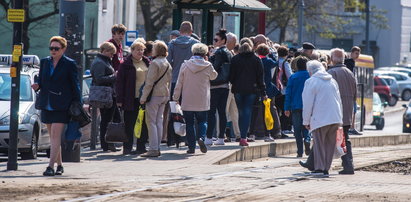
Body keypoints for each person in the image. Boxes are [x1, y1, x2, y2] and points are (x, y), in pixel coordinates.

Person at [32, 36, 81, 176]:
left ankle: (50, 167)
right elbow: (41, 81)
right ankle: (59, 165)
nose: (53, 51)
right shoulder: (45, 62)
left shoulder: (69, 64)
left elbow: (75, 84)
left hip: (62, 104)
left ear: (63, 49)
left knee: (55, 135)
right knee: (53, 137)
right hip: (46, 103)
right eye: (51, 48)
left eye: (56, 48)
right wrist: (37, 86)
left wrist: (78, 102)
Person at [173, 43, 218, 154]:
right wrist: (208, 62)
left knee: (189, 123)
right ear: (205, 54)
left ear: (193, 52)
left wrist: (176, 97)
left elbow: (179, 82)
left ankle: (191, 147)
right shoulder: (207, 65)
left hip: (188, 99)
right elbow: (214, 76)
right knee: (202, 121)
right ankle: (201, 138)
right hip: (202, 99)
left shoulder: (185, 65)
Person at [302, 60, 343, 176]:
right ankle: (326, 168)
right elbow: (339, 100)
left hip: (320, 118)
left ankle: (319, 168)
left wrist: (306, 120)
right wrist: (341, 118)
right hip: (335, 117)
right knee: (330, 144)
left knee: (319, 143)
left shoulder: (311, 82)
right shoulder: (332, 81)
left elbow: (307, 103)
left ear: (310, 71)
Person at [229, 39, 266, 146]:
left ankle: (242, 135)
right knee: (247, 112)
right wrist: (263, 92)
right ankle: (244, 137)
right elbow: (260, 77)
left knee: (240, 112)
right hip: (252, 90)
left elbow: (231, 76)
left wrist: (235, 83)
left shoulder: (235, 59)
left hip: (238, 89)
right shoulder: (256, 59)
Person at [116, 41, 150, 155]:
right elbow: (120, 83)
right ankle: (127, 147)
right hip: (131, 98)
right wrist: (119, 100)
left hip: (144, 98)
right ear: (132, 51)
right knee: (129, 123)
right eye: (137, 50)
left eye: (142, 50)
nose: (140, 52)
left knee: (144, 123)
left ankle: (141, 146)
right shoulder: (125, 64)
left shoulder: (147, 62)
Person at [139, 41, 172, 157]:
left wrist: (143, 97)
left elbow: (149, 82)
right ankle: (157, 147)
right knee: (159, 121)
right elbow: (169, 81)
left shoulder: (154, 63)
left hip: (154, 95)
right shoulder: (167, 63)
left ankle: (153, 148)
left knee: (151, 122)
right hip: (164, 94)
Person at [328, 48, 357, 174]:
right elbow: (355, 94)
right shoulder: (350, 73)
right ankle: (348, 164)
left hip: (335, 111)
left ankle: (320, 164)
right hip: (347, 112)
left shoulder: (332, 72)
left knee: (327, 137)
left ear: (333, 59)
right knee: (344, 137)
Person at [90, 42, 120, 153]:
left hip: (108, 94)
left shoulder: (103, 61)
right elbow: (99, 79)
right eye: (111, 54)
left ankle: (108, 143)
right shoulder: (99, 62)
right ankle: (106, 144)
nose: (112, 56)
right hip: (105, 95)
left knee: (110, 119)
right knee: (107, 120)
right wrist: (114, 76)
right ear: (105, 51)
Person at [205, 29, 232, 146]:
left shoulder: (219, 52)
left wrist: (210, 57)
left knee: (211, 112)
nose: (214, 42)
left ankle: (209, 137)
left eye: (216, 40)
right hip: (225, 85)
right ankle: (221, 137)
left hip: (215, 85)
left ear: (223, 41)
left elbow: (214, 68)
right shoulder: (229, 52)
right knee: (222, 112)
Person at [284, 56, 311, 157]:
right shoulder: (310, 76)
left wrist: (286, 108)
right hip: (308, 106)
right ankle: (307, 140)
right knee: (307, 126)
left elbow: (288, 93)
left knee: (297, 129)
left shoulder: (293, 77)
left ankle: (300, 151)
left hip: (295, 106)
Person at [256, 44, 280, 142]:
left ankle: (257, 132)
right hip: (269, 88)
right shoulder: (269, 61)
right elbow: (276, 63)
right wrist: (272, 54)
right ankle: (271, 131)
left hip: (258, 88)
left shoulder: (257, 60)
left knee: (258, 110)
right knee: (269, 110)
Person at [275, 46, 293, 136]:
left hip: (276, 89)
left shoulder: (275, 61)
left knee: (277, 110)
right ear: (286, 54)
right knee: (286, 109)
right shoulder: (285, 63)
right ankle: (283, 128)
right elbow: (290, 76)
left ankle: (277, 129)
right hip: (284, 90)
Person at [345, 46, 362, 135]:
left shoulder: (352, 62)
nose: (357, 55)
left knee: (354, 109)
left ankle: (352, 127)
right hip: (350, 89)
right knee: (352, 109)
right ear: (352, 53)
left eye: (358, 53)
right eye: (356, 53)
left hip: (352, 89)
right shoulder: (349, 63)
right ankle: (351, 127)